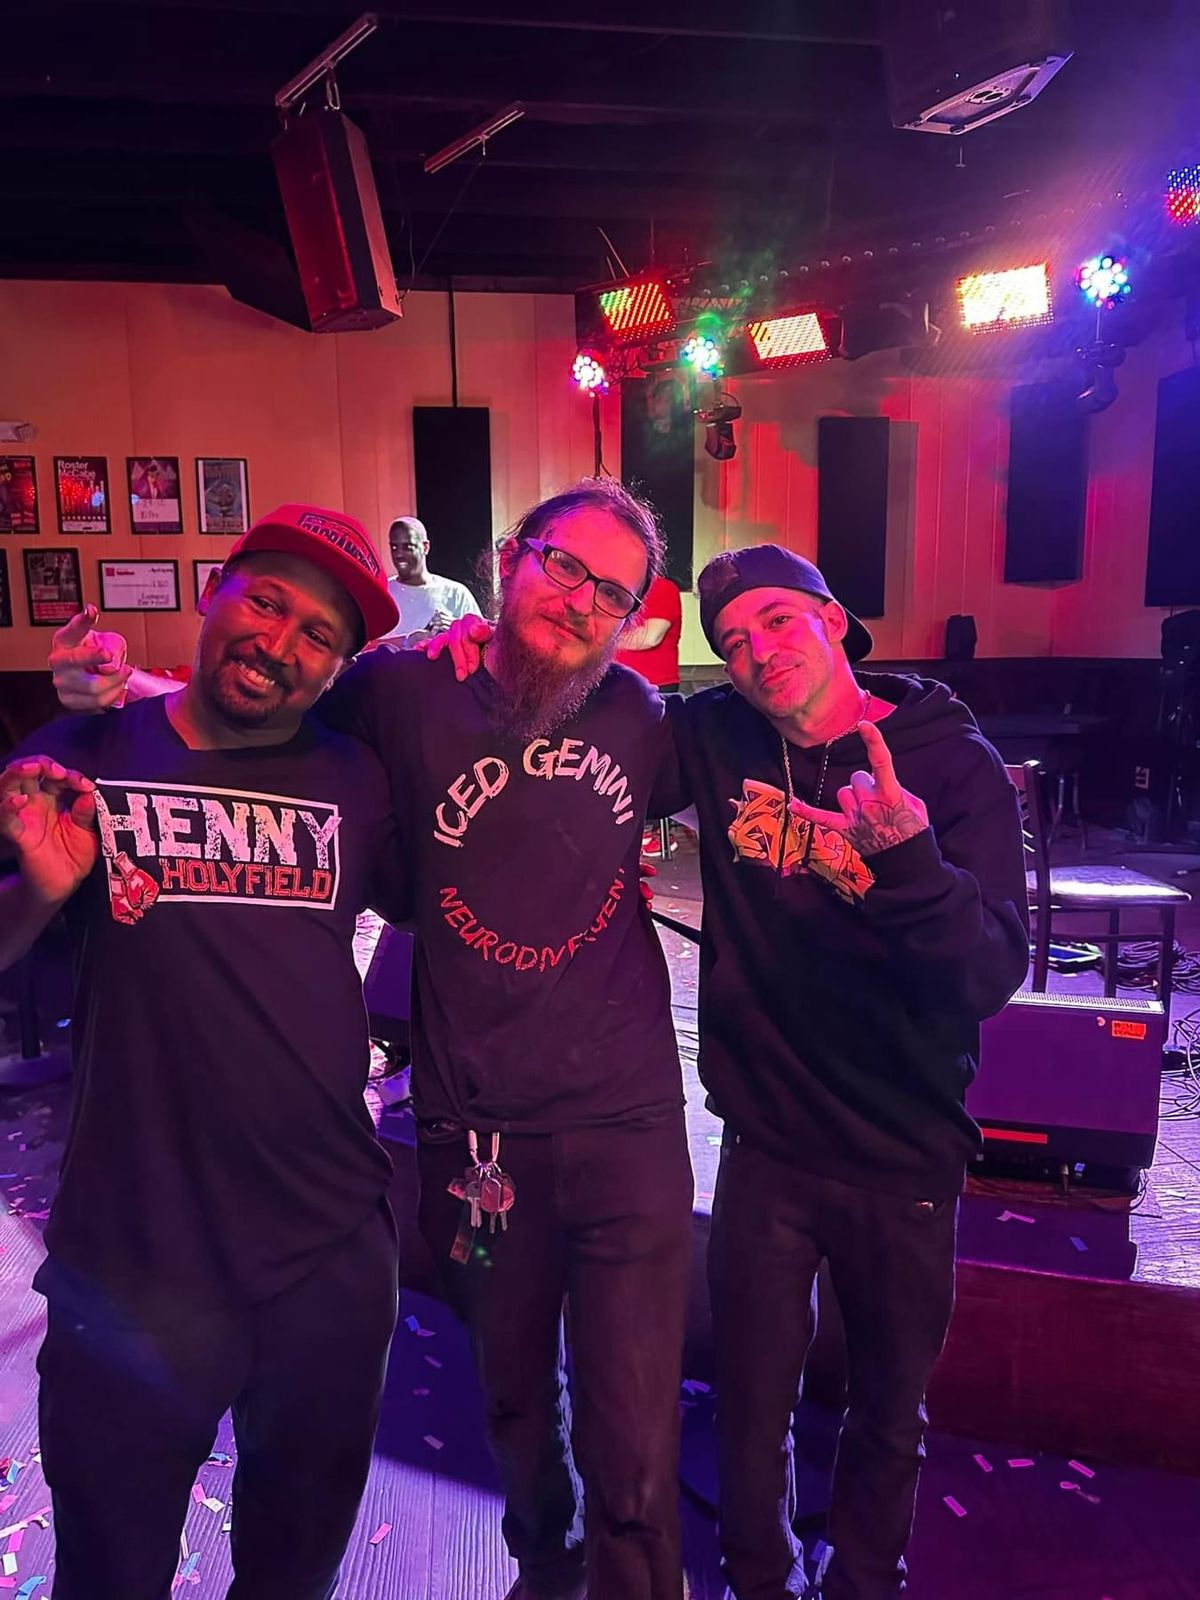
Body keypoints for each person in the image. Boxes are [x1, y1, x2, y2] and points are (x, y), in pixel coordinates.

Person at [47, 478, 694, 1600]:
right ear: (509, 559)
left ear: (635, 616)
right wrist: (118, 686)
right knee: (511, 1402)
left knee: (631, 1439)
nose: (580, 600)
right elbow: (250, 696)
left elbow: (786, 737)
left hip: (608, 1121)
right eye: (563, 565)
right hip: (464, 1129)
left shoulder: (640, 717)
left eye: (612, 592)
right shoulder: (396, 691)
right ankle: (548, 1569)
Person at [431, 541, 1030, 1600]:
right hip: (766, 1144)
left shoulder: (950, 764)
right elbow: (581, 733)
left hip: (906, 1153)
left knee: (888, 1411)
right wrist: (495, 652)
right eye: (735, 641)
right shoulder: (717, 736)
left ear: (834, 621)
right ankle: (759, 1580)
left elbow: (989, 971)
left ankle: (864, 1583)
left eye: (779, 622)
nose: (759, 653)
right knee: (751, 1407)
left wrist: (907, 861)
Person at [2, 504, 407, 1600]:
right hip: (134, 1259)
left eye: (318, 634)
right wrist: (36, 894)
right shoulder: (84, 752)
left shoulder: (359, 780)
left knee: (294, 1573)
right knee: (110, 1574)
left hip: (328, 1250)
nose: (280, 643)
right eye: (265, 602)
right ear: (211, 590)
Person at [383, 514, 478, 645]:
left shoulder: (456, 593)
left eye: (408, 547)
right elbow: (364, 648)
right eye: (394, 548)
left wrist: (457, 629)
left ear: (425, 547)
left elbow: (483, 642)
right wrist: (407, 641)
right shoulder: (383, 593)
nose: (399, 554)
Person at [615, 572, 683, 694]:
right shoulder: (612, 589)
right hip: (612, 684)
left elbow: (650, 638)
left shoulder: (663, 587)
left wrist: (603, 641)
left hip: (654, 686)